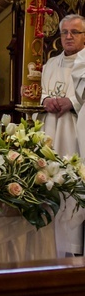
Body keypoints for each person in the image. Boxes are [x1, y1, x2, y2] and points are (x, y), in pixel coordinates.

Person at [44, 15, 85, 257]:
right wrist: (46, 100)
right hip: (50, 130)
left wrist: (71, 101)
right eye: (64, 32)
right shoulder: (50, 64)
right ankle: (51, 244)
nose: (68, 37)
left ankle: (73, 245)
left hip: (76, 133)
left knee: (73, 186)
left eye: (75, 32)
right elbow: (39, 91)